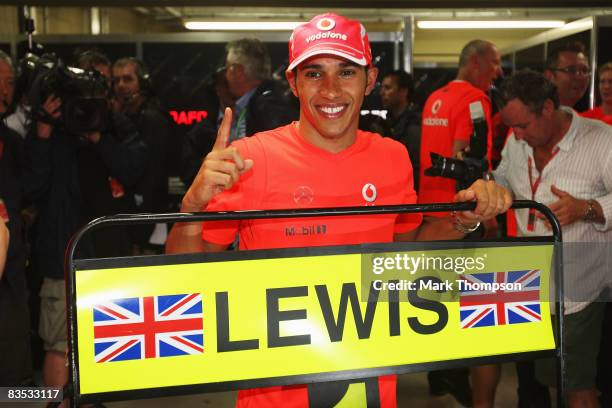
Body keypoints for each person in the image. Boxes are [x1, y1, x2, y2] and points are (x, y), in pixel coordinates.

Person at [166, 13, 512, 408]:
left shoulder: (392, 157)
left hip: (370, 388)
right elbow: (183, 278)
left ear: (370, 80)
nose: (331, 90)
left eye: (346, 72)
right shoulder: (250, 157)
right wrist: (192, 208)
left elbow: (406, 249)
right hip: (275, 395)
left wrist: (463, 218)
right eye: (314, 74)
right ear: (293, 82)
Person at [25, 52, 148, 399]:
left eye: (99, 85)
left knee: (108, 340)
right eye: (85, 84)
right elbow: (31, 187)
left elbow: (135, 167)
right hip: (61, 253)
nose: (90, 95)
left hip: (108, 253)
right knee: (61, 342)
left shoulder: (114, 124)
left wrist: (99, 137)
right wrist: (44, 132)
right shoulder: (52, 127)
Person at [494, 69, 612, 408]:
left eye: (523, 126)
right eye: (511, 127)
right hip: (527, 283)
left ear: (547, 108)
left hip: (581, 288)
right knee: (546, 380)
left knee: (577, 384)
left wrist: (586, 208)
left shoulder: (601, 140)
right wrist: (494, 190)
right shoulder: (516, 141)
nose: (516, 135)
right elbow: (505, 173)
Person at [418, 39, 503, 408]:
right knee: (481, 319)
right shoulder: (475, 100)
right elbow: (465, 157)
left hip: (430, 218)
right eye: (496, 63)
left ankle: (442, 370)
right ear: (476, 62)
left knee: (439, 305)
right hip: (460, 218)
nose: (498, 71)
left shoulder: (433, 98)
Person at [112, 57, 173, 253]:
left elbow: (151, 179)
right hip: (126, 219)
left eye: (127, 79)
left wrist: (140, 233)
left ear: (143, 82)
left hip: (147, 221)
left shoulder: (153, 119)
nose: (121, 85)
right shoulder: (121, 117)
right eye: (116, 80)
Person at [0, 50, 32, 386]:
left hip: (11, 264)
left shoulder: (12, 140)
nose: (5, 91)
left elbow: (28, 189)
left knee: (14, 368)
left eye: (9, 83)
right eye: (1, 82)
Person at [223, 38, 298, 143]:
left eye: (227, 68)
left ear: (238, 71)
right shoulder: (261, 103)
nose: (225, 75)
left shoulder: (268, 108)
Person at [379, 70, 421, 190]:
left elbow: (415, 168)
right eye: (382, 88)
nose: (382, 93)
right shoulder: (385, 123)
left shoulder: (414, 125)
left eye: (387, 88)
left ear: (403, 92)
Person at [544, 42, 590, 111]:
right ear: (549, 76)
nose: (580, 77)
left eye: (584, 71)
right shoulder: (530, 116)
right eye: (571, 70)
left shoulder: (581, 119)